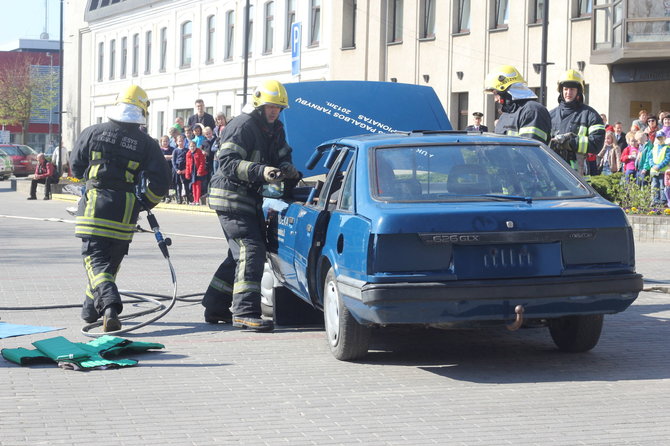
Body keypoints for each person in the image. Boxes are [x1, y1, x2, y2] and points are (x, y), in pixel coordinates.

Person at [203, 79, 301, 332]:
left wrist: (287, 167)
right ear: (259, 106)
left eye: (278, 108)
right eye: (270, 107)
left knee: (237, 255)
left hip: (249, 197)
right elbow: (226, 162)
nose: (274, 112)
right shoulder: (242, 125)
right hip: (230, 196)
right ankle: (246, 312)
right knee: (251, 249)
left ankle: (215, 306)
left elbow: (282, 153)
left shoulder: (275, 128)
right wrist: (261, 171)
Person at [70, 85, 169, 332]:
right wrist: (145, 201)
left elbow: (75, 167)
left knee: (95, 262)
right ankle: (90, 309)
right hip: (126, 211)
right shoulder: (147, 143)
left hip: (95, 206)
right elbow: (161, 182)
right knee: (109, 264)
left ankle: (111, 307)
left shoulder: (93, 131)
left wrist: (91, 182)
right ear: (142, 111)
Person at [549, 69, 606, 175]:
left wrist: (571, 142)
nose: (568, 93)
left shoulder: (590, 115)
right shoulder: (550, 115)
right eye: (565, 89)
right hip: (553, 173)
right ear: (561, 90)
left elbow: (597, 144)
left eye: (572, 89)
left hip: (578, 176)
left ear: (578, 91)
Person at [484, 65, 551, 144]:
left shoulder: (532, 111)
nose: (495, 99)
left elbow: (530, 151)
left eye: (496, 93)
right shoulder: (504, 116)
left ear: (506, 90)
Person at [643, 130, 670, 207]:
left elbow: (667, 159)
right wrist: (653, 165)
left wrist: (659, 166)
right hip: (654, 171)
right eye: (658, 138)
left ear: (664, 138)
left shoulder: (667, 148)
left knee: (662, 186)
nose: (660, 140)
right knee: (654, 186)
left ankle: (663, 201)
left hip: (662, 171)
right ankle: (654, 200)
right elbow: (650, 158)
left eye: (661, 138)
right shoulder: (653, 148)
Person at [185, 140, 207, 204]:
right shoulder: (188, 154)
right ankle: (194, 200)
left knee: (198, 186)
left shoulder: (199, 152)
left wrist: (199, 171)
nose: (192, 148)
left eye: (194, 146)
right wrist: (187, 173)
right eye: (191, 146)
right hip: (192, 171)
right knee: (193, 186)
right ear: (189, 147)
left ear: (196, 146)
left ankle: (197, 200)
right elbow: (187, 165)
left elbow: (202, 163)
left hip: (198, 171)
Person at [171, 134, 189, 204]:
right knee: (178, 184)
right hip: (177, 169)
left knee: (186, 183)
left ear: (184, 142)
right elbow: (173, 161)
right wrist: (176, 169)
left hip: (184, 169)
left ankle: (188, 198)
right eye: (179, 141)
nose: (181, 142)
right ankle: (179, 198)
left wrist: (186, 169)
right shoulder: (175, 151)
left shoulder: (186, 150)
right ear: (177, 142)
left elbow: (188, 161)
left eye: (182, 141)